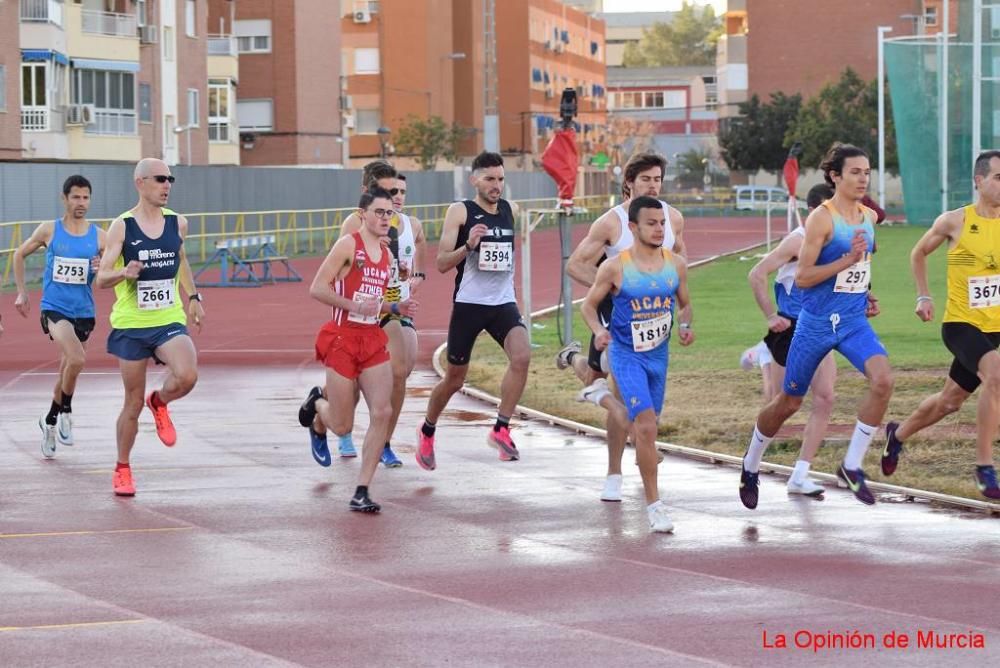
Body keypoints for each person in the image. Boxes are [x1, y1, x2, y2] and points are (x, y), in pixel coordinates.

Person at [738, 143, 892, 509]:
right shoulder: (820, 220)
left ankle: (851, 465)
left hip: (852, 321)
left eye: (867, 172)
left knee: (884, 380)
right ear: (835, 176)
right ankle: (750, 464)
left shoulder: (868, 218)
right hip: (816, 323)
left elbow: (861, 264)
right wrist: (845, 260)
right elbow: (804, 278)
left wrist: (866, 292)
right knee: (788, 401)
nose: (862, 179)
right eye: (854, 172)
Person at [560, 151, 687, 501]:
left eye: (658, 179)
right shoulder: (611, 223)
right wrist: (616, 288)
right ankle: (614, 472)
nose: (652, 185)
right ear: (629, 182)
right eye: (645, 179)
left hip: (655, 318)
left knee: (600, 380)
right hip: (615, 314)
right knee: (617, 390)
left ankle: (574, 361)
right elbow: (576, 265)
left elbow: (681, 259)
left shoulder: (672, 219)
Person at [882, 149, 1000, 499]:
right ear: (979, 182)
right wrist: (923, 295)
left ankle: (897, 435)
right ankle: (984, 466)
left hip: (996, 325)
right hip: (962, 324)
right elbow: (918, 253)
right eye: (998, 177)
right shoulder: (955, 221)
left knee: (950, 401)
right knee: (995, 375)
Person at [581, 195, 694, 532]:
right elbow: (588, 306)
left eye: (663, 224)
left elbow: (685, 304)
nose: (660, 229)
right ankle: (655, 506)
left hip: (658, 357)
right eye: (651, 223)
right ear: (633, 228)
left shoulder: (676, 265)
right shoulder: (614, 267)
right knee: (644, 426)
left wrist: (686, 326)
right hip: (626, 355)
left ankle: (598, 394)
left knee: (648, 428)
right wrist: (599, 331)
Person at [96, 158, 205, 497]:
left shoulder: (178, 223)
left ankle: (159, 401)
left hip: (167, 318)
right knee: (131, 402)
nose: (167, 185)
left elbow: (181, 258)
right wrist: (122, 273)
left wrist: (193, 295)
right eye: (160, 179)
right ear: (140, 183)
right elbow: (101, 278)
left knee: (187, 375)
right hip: (131, 324)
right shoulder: (122, 226)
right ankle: (122, 468)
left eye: (170, 178)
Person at [415, 151, 529, 469]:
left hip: (503, 303)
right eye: (490, 179)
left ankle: (501, 428)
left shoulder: (509, 210)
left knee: (522, 357)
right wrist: (469, 246)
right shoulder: (460, 212)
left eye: (501, 179)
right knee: (454, 379)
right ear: (474, 180)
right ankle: (427, 429)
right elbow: (440, 263)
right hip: (469, 305)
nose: (496, 185)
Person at [299, 187, 403, 512]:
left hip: (371, 338)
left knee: (382, 412)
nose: (386, 218)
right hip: (342, 337)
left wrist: (396, 307)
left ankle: (362, 490)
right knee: (343, 425)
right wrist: (351, 303)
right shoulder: (348, 245)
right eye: (379, 212)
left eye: (390, 213)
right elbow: (317, 288)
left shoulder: (386, 254)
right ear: (363, 214)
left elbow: (375, 304)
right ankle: (317, 404)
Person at [745, 183, 837, 496]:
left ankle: (800, 475)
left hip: (821, 327)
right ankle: (752, 461)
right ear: (813, 211)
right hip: (790, 330)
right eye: (828, 211)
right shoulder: (797, 241)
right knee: (783, 403)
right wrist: (771, 316)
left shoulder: (835, 242)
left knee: (825, 397)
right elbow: (756, 274)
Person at [13, 175, 106, 458]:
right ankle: (66, 410)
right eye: (75, 197)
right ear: (64, 198)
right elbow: (18, 255)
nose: (81, 203)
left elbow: (108, 276)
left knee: (68, 369)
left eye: (85, 197)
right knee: (77, 359)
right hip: (54, 307)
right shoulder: (49, 230)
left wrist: (101, 267)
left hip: (84, 311)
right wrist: (22, 292)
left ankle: (49, 420)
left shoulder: (100, 237)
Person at [376, 173, 427, 466]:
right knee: (356, 382)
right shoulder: (365, 223)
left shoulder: (412, 224)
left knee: (403, 372)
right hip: (371, 308)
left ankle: (384, 442)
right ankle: (333, 418)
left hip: (400, 306)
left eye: (403, 191)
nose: (398, 196)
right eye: (392, 190)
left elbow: (420, 241)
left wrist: (419, 273)